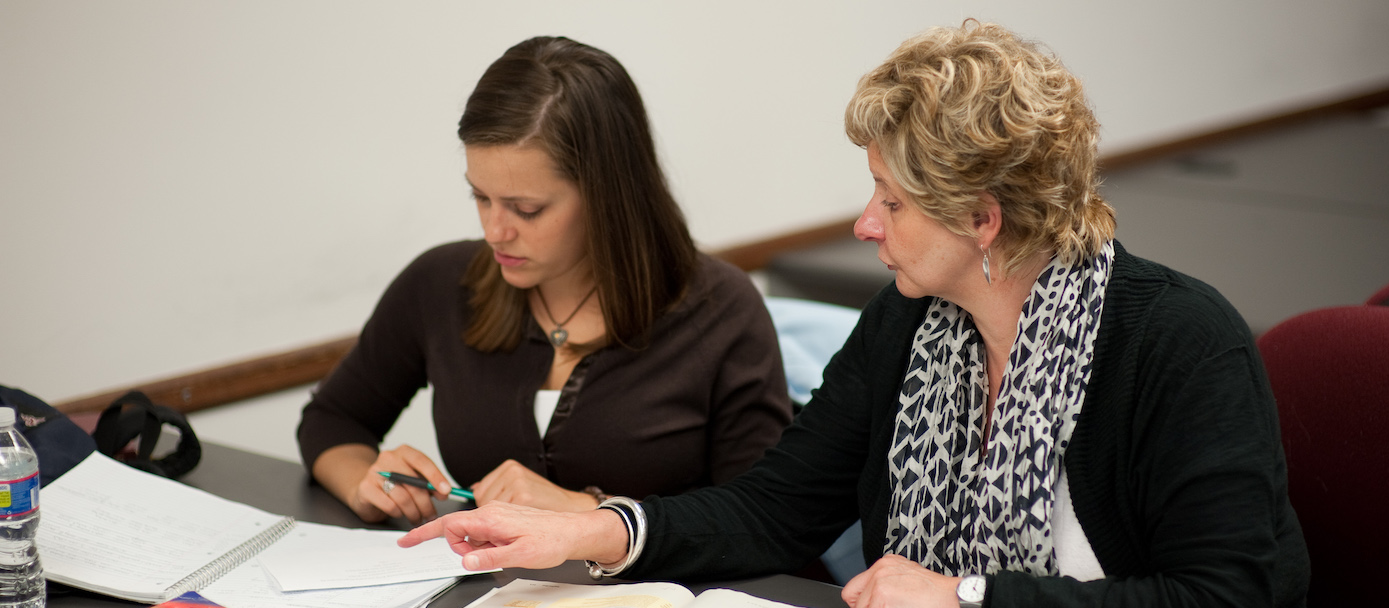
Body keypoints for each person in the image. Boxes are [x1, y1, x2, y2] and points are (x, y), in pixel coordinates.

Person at [398, 21, 1310, 607]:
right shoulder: (909, 323)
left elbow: (1233, 595)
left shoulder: (1179, 344)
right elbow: (775, 510)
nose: (864, 224)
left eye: (892, 201)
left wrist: (964, 598)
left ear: (983, 219)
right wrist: (596, 530)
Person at [298, 36, 792, 526]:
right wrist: (363, 481)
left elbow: (764, 516)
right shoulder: (439, 284)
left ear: (607, 197)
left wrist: (595, 514)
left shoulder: (720, 309)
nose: (495, 231)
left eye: (526, 209)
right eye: (480, 197)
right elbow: (332, 419)